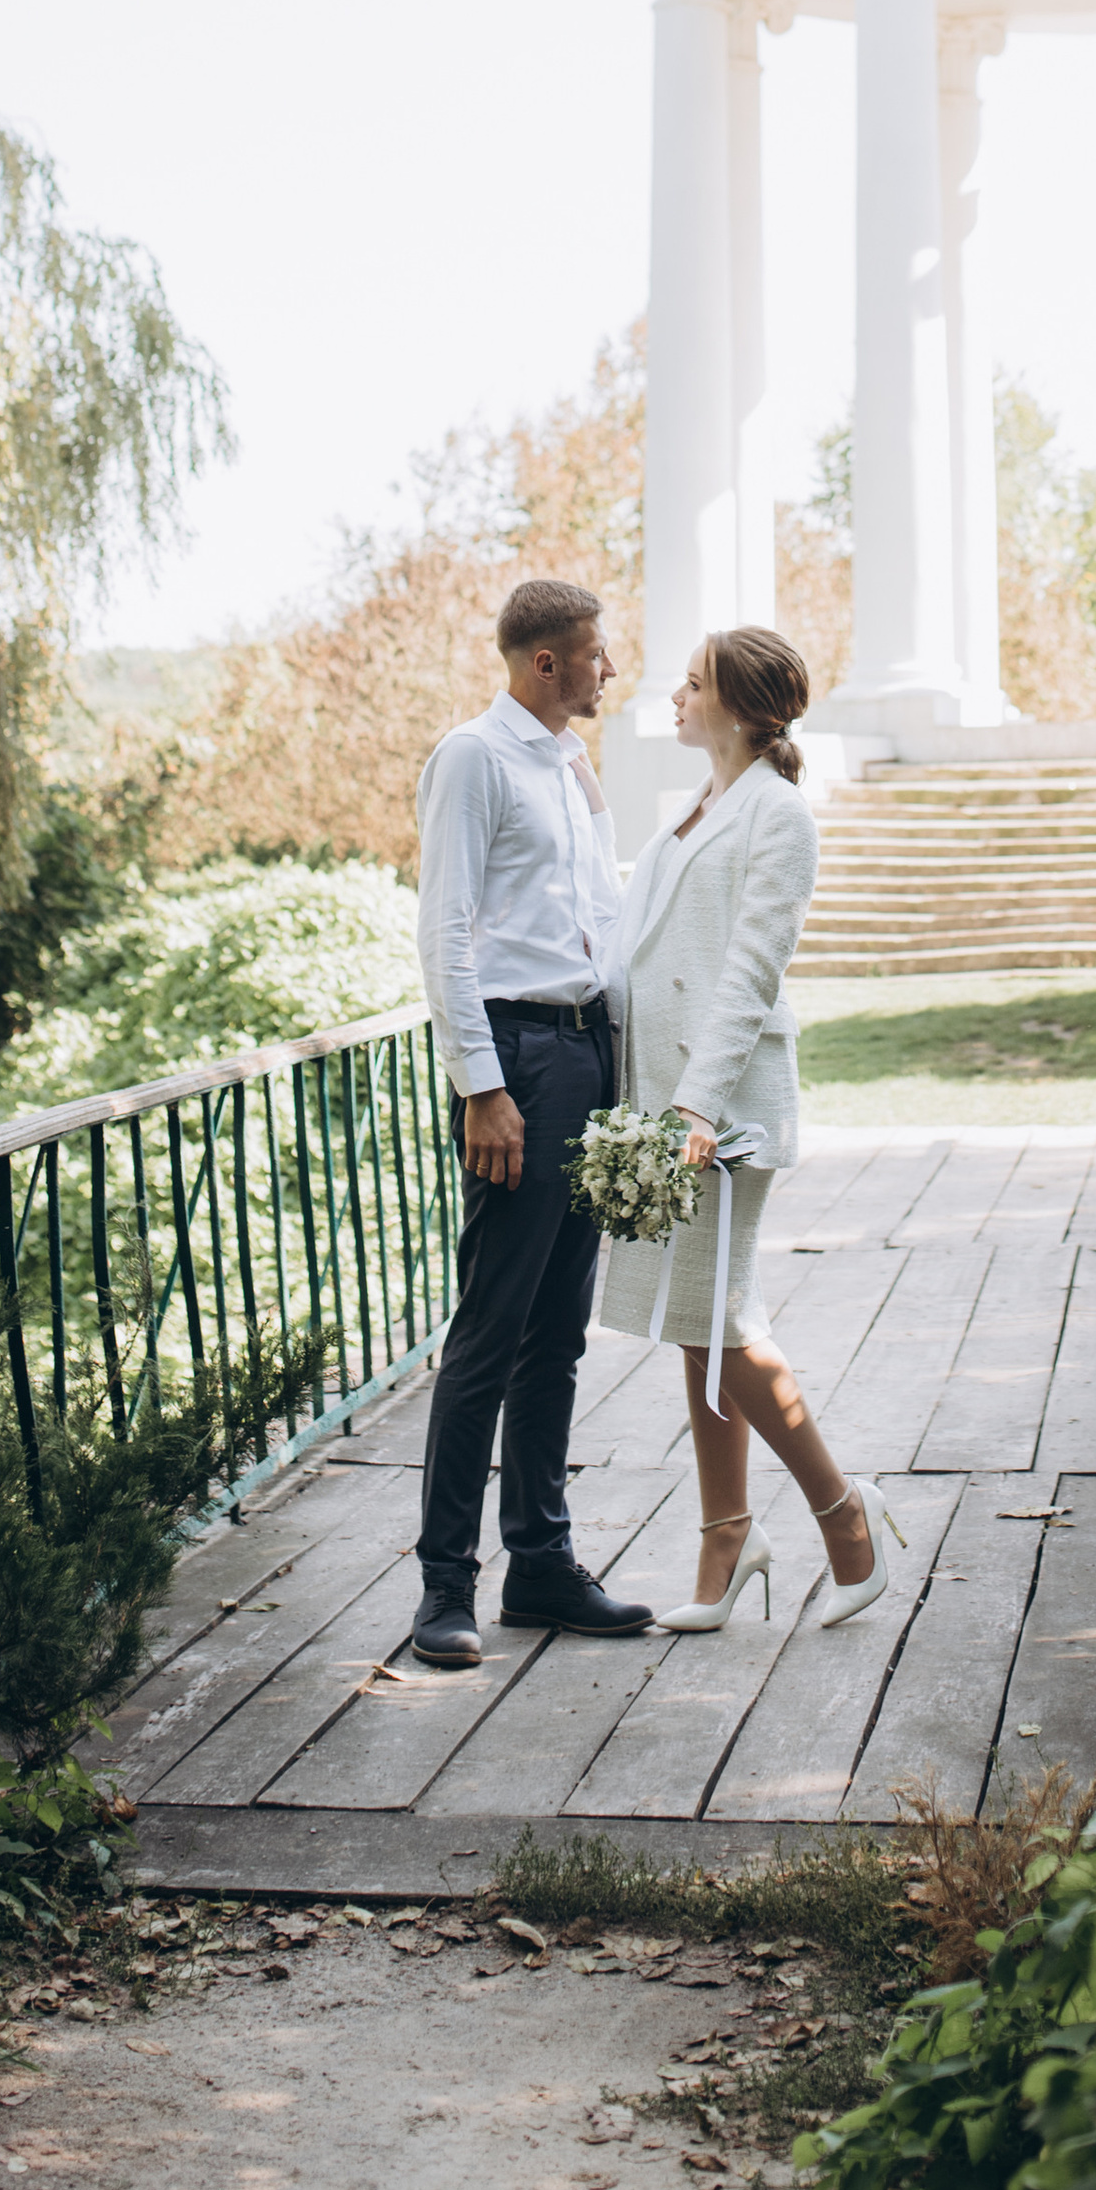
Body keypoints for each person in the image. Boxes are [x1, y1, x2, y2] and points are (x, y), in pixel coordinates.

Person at [598, 626, 902, 1634]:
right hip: (665, 1099)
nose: (674, 698)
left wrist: (697, 1100)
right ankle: (727, 1537)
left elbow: (749, 970)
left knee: (720, 1320)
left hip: (719, 1110)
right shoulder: (696, 805)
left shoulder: (777, 816)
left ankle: (842, 1516)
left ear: (736, 705)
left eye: (691, 685)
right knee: (698, 1324)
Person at [408, 578, 654, 1669]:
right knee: (490, 1332)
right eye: (596, 654)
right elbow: (444, 931)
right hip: (519, 1061)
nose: (611, 669)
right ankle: (444, 1591)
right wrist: (480, 1084)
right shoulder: (473, 758)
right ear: (545, 662)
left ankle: (541, 1568)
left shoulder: (568, 765)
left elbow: (602, 914)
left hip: (589, 1053)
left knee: (557, 1335)